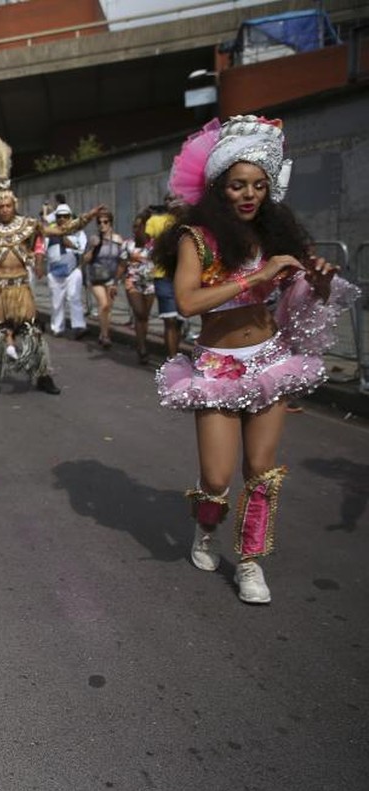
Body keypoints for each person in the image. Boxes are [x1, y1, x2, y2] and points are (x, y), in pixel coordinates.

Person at [154, 115, 358, 604]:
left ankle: (249, 561)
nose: (249, 195)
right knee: (217, 479)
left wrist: (322, 282)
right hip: (218, 369)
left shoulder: (276, 237)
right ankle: (206, 530)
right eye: (238, 185)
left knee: (261, 471)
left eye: (259, 186)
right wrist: (254, 277)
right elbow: (186, 302)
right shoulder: (196, 239)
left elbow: (299, 299)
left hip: (268, 361)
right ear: (219, 187)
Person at [0, 135, 102, 395]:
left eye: (9, 205)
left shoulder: (29, 225)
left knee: (33, 331)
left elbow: (60, 230)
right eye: (1, 205)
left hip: (21, 287)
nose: (5, 209)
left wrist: (88, 217)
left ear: (14, 205)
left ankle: (42, 376)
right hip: (0, 290)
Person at [146, 196, 186, 357]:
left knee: (179, 321)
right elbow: (144, 241)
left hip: (184, 276)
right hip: (162, 276)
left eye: (177, 198)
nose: (173, 201)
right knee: (169, 320)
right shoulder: (156, 221)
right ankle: (172, 360)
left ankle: (176, 354)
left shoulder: (189, 222)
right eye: (170, 199)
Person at [83, 209, 126, 348]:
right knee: (103, 304)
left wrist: (118, 279)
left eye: (105, 222)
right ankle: (106, 336)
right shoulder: (94, 239)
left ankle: (103, 333)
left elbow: (122, 259)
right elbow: (85, 259)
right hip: (96, 277)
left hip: (111, 278)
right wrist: (92, 248)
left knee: (108, 308)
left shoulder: (118, 240)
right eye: (99, 222)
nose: (102, 225)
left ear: (111, 223)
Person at [46, 202, 89, 339]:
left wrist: (69, 242)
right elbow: (42, 249)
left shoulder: (78, 233)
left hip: (73, 271)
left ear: (70, 217)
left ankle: (79, 327)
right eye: (59, 216)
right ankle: (57, 328)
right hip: (55, 273)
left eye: (65, 216)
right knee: (57, 302)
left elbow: (82, 248)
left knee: (74, 297)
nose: (62, 219)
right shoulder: (50, 233)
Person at [121, 213, 157, 364]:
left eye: (138, 226)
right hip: (132, 282)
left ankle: (142, 344)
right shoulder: (127, 244)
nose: (135, 229)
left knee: (144, 317)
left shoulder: (154, 245)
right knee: (139, 312)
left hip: (150, 284)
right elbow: (122, 265)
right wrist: (113, 284)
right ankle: (141, 347)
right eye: (134, 226)